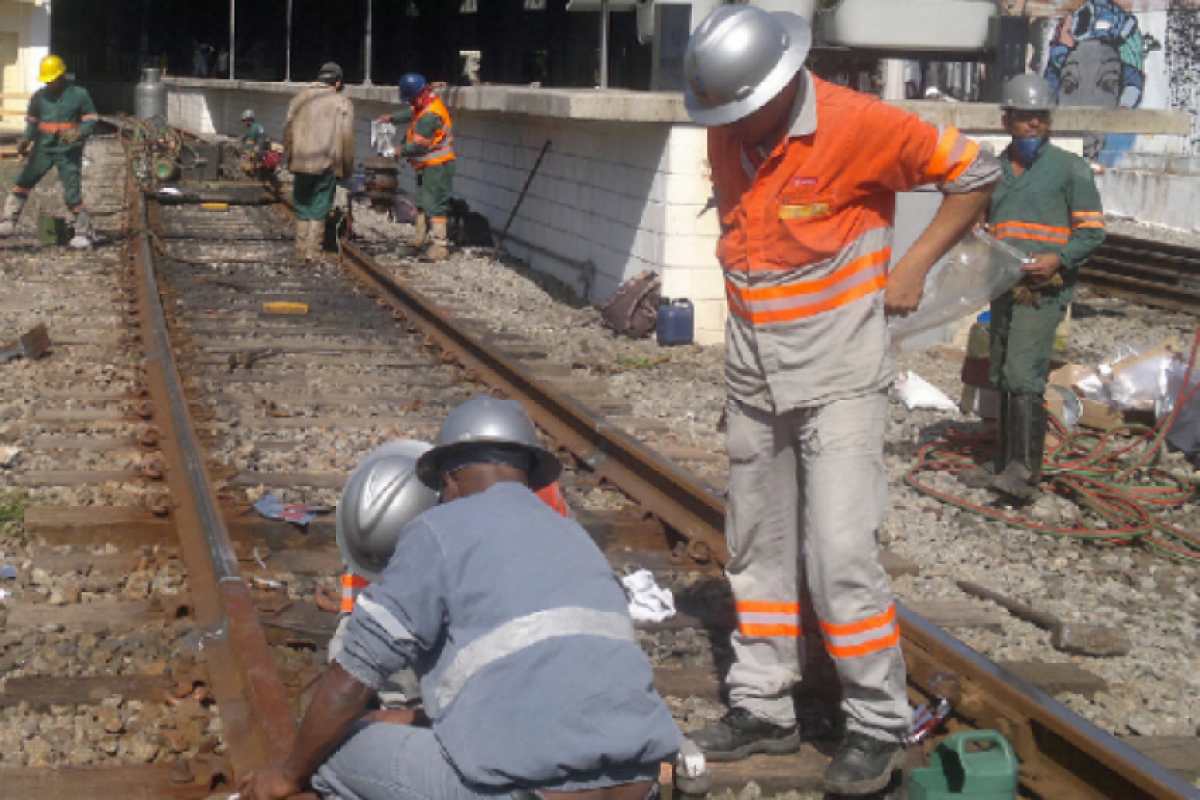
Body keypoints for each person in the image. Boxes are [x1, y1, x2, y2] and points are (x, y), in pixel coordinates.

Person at [680, 6, 1001, 795]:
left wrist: (915, 263)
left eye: (745, 109)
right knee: (754, 544)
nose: (737, 126)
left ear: (781, 85)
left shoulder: (861, 124)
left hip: (840, 374)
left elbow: (976, 173)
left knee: (840, 555)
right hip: (755, 371)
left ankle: (877, 723)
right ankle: (762, 702)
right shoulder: (729, 130)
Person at [237, 394, 681, 800]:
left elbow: (352, 676)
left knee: (331, 756)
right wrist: (416, 721)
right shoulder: (574, 537)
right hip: (639, 786)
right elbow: (545, 681)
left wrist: (290, 772)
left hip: (528, 793)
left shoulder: (439, 529)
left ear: (449, 477)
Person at [982, 74, 1105, 500]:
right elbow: (984, 226)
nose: (1033, 124)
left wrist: (1059, 259)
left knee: (1023, 373)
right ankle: (1000, 463)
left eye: (1040, 117)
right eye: (1024, 117)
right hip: (1003, 285)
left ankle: (1022, 474)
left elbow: (1091, 233)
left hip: (1042, 289)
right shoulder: (995, 171)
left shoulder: (1069, 169)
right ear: (1007, 121)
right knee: (999, 369)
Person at [0, 55, 99, 249]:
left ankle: (83, 232)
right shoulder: (40, 97)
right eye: (47, 79)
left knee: (72, 193)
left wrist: (80, 132)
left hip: (68, 151)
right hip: (43, 149)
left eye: (52, 78)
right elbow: (33, 121)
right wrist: (26, 139)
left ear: (61, 75)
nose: (50, 83)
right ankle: (8, 221)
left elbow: (92, 119)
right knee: (23, 182)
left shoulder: (79, 94)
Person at [377, 72, 456, 261]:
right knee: (421, 202)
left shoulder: (430, 115)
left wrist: (399, 150)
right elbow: (412, 111)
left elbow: (419, 145)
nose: (410, 102)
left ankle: (440, 244)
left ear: (418, 94)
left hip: (438, 165)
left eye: (411, 98)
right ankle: (419, 239)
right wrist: (392, 117)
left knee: (435, 204)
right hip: (428, 164)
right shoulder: (426, 103)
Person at [282, 62, 355, 263]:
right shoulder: (343, 103)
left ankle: (300, 249)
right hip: (327, 164)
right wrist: (346, 169)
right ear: (338, 82)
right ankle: (313, 253)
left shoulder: (298, 99)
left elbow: (287, 132)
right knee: (320, 206)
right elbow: (347, 139)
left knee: (302, 205)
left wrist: (291, 159)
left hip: (300, 162)